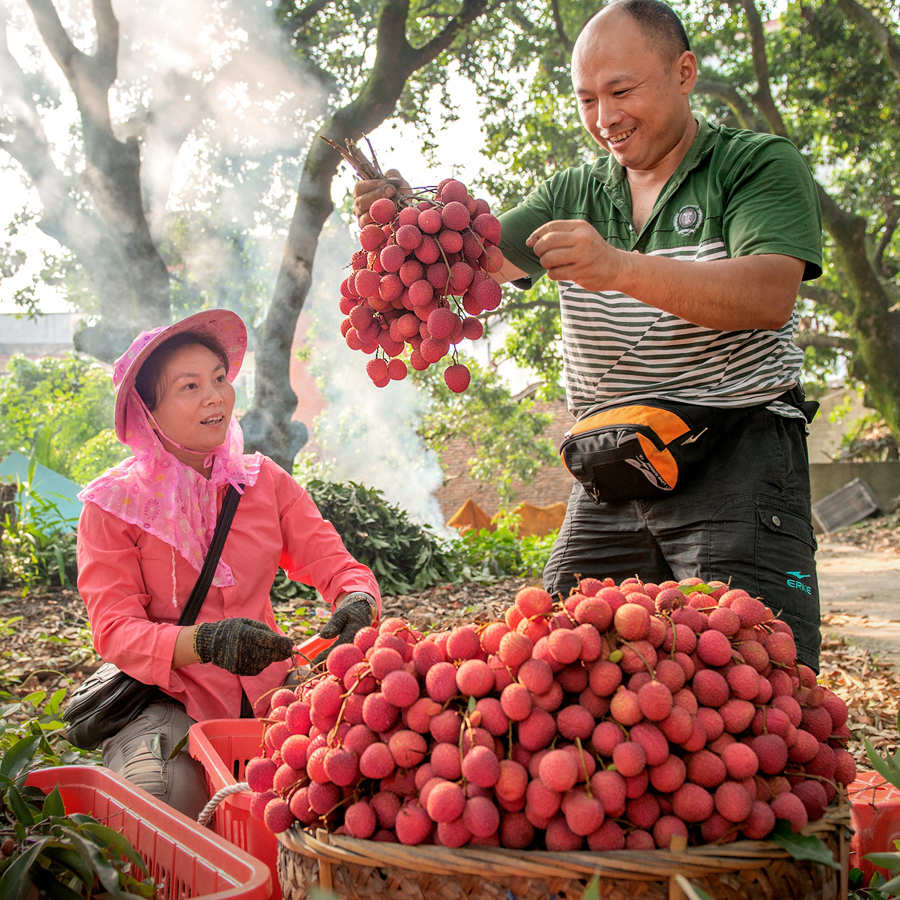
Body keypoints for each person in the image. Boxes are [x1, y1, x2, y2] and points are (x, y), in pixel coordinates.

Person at [354, 0, 823, 670]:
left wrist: (619, 269)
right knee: (557, 670)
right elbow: (471, 263)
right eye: (587, 99)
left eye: (622, 91)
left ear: (684, 72)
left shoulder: (754, 165)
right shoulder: (574, 191)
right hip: (612, 466)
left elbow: (769, 295)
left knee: (756, 681)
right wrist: (406, 212)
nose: (605, 118)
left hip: (739, 455)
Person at [76, 309, 381, 817]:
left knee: (344, 792)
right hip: (170, 701)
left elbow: (331, 559)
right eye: (189, 386)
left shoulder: (265, 483)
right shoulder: (113, 507)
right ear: (146, 411)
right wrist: (205, 644)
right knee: (166, 803)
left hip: (272, 694)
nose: (215, 396)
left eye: (219, 379)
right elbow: (115, 631)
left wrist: (356, 598)